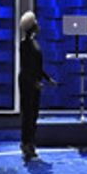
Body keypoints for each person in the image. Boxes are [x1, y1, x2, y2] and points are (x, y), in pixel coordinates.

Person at [18, 11, 55, 162]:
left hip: (34, 82)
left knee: (33, 114)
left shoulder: (34, 43)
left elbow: (37, 66)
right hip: (28, 82)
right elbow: (27, 67)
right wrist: (35, 82)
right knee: (28, 114)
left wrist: (47, 79)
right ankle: (26, 143)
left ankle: (30, 143)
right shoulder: (25, 44)